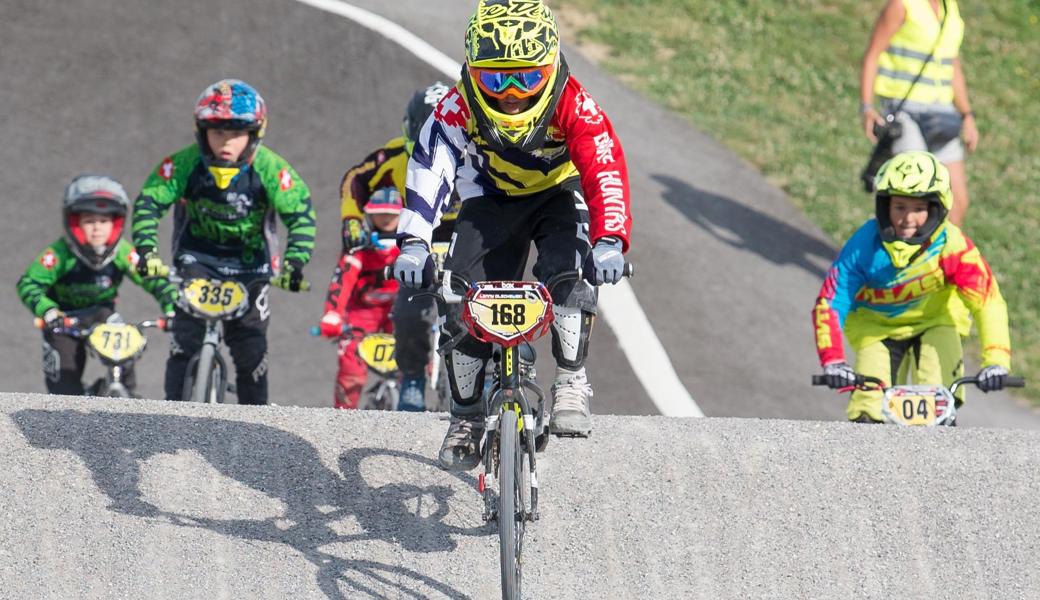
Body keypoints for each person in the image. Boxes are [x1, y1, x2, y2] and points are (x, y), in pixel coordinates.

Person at [392, 0, 633, 470]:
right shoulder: (456, 105)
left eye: (526, 77)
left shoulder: (575, 102)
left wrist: (611, 240)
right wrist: (415, 242)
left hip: (559, 193)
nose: (511, 94)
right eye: (495, 79)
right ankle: (463, 418)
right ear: (472, 72)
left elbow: (604, 168)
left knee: (570, 277)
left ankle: (570, 378)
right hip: (489, 198)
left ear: (550, 67)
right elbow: (430, 169)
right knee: (459, 299)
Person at [132, 79, 316, 405]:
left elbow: (300, 214)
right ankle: (171, 416)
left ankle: (255, 428)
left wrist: (294, 263)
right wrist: (147, 251)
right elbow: (149, 203)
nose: (226, 142)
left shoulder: (271, 168)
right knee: (183, 343)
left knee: (252, 352)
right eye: (217, 133)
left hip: (252, 266)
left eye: (236, 133)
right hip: (196, 261)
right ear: (202, 133)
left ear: (255, 134)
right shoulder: (182, 164)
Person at [812, 151, 1011, 423]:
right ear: (885, 207)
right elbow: (830, 302)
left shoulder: (952, 245)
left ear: (936, 208)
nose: (907, 219)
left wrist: (996, 361)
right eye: (899, 207)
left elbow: (987, 301)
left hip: (936, 324)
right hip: (877, 331)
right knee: (867, 410)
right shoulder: (863, 246)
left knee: (938, 401)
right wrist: (833, 360)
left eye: (918, 209)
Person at [339, 81, 459, 411]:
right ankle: (413, 378)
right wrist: (351, 219)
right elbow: (355, 180)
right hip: (420, 244)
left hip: (466, 240)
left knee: (477, 307)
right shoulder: (393, 155)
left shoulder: (478, 149)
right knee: (407, 311)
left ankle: (490, 374)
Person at [17, 174, 177, 395]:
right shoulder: (59, 254)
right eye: (89, 221)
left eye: (104, 222)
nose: (97, 229)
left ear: (116, 224)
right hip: (63, 321)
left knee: (125, 351)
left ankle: (126, 398)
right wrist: (48, 310)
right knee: (64, 390)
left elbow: (154, 281)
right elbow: (28, 284)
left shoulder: (121, 251)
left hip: (102, 316)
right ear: (75, 223)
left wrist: (172, 308)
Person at [860, 0, 977, 226]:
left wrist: (967, 115)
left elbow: (952, 64)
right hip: (906, 112)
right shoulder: (902, 5)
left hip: (941, 114)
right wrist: (866, 107)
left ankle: (936, 259)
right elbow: (873, 54)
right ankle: (895, 254)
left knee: (956, 202)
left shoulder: (949, 8)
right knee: (914, 194)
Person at [318, 188, 403, 409]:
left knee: (418, 361)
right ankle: (344, 419)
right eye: (380, 212)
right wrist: (332, 315)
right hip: (362, 315)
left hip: (399, 312)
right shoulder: (357, 247)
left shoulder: (413, 246)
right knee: (351, 369)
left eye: (392, 213)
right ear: (368, 215)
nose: (386, 218)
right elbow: (342, 281)